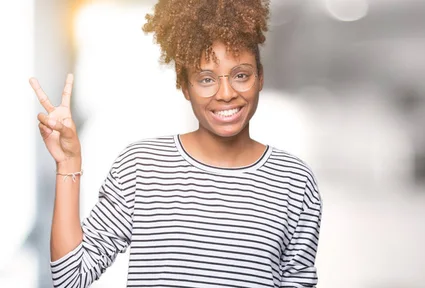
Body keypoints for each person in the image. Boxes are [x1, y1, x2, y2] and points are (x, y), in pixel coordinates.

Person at [30, 0, 322, 287]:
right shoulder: (141, 167)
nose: (225, 93)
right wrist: (68, 163)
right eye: (206, 79)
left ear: (260, 78)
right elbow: (70, 277)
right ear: (184, 86)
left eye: (241, 75)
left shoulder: (294, 181)